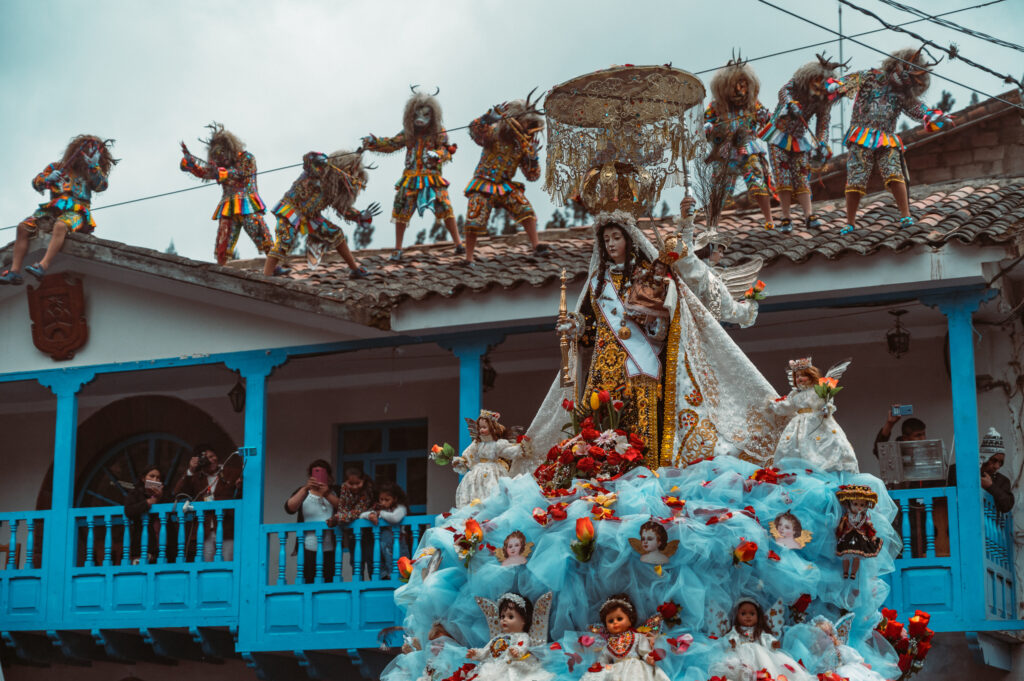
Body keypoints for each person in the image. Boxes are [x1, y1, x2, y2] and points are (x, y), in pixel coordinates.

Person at [532, 194, 780, 469]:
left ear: (629, 239)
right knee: (600, 425)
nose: (611, 244)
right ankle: (601, 467)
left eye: (616, 237)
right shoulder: (597, 282)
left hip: (640, 360)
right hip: (604, 366)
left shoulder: (647, 275)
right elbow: (589, 328)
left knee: (639, 421)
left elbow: (666, 321)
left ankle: (642, 466)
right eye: (606, 240)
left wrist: (649, 316)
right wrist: (574, 326)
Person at [837, 47, 953, 234]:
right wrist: (834, 86)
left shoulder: (903, 95)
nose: (904, 77)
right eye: (904, 70)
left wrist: (932, 116)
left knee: (894, 171)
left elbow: (918, 108)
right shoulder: (869, 77)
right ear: (896, 63)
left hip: (886, 137)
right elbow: (845, 83)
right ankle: (850, 222)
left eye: (910, 76)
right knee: (856, 177)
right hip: (860, 134)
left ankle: (905, 215)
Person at [361, 88, 465, 261]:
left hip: (432, 177)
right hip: (410, 178)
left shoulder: (439, 132)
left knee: (446, 207)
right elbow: (391, 144)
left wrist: (438, 155)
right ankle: (398, 248)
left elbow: (447, 150)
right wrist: (374, 143)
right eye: (417, 114)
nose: (421, 119)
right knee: (401, 209)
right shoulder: (408, 133)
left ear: (433, 116)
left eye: (426, 115)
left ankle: (458, 244)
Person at [1, 135, 117, 284]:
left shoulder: (90, 173)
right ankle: (14, 272)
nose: (85, 156)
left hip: (77, 211)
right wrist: (47, 179)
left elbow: (102, 186)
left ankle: (43, 265)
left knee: (61, 226)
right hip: (51, 210)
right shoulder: (56, 167)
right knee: (23, 227)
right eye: (84, 151)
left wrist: (94, 167)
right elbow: (36, 182)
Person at [759, 53, 846, 232]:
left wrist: (822, 143)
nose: (819, 86)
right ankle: (785, 216)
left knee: (802, 176)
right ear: (809, 78)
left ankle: (808, 215)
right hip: (778, 135)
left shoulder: (822, 103)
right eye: (817, 80)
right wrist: (789, 104)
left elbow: (823, 124)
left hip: (799, 140)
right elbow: (783, 92)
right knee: (782, 175)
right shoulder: (796, 85)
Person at [262, 150, 378, 277]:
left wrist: (359, 215)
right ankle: (266, 277)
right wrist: (318, 158)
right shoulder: (320, 170)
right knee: (285, 239)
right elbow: (308, 159)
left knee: (335, 233)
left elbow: (342, 209)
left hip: (311, 216)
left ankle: (355, 269)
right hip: (291, 209)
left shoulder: (335, 188)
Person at [463, 94, 548, 263]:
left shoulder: (523, 145)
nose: (526, 126)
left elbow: (532, 176)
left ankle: (536, 245)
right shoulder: (495, 131)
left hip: (505, 186)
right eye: (525, 122)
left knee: (525, 209)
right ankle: (468, 257)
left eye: (529, 124)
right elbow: (474, 131)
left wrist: (533, 157)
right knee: (474, 217)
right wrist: (488, 117)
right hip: (483, 182)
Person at [179, 122, 273, 265]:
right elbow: (206, 173)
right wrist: (191, 165)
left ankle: (274, 263)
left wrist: (222, 172)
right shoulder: (222, 167)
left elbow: (241, 173)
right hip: (228, 205)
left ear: (229, 149)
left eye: (222, 154)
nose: (221, 159)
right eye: (217, 156)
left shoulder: (246, 158)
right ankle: (221, 267)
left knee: (259, 231)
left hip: (247, 201)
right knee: (223, 241)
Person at [703, 54, 774, 230]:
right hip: (725, 151)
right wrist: (708, 127)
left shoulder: (753, 104)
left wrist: (765, 116)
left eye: (743, 85)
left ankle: (769, 219)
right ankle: (713, 223)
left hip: (748, 148)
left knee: (757, 181)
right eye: (735, 85)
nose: (739, 89)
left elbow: (766, 118)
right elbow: (706, 123)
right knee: (720, 188)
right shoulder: (715, 106)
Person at [769, 357, 859, 472]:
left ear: (811, 376)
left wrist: (826, 408)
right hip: (798, 425)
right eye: (797, 376)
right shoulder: (795, 394)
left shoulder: (818, 390)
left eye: (803, 375)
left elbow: (826, 402)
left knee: (821, 447)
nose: (799, 378)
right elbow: (787, 407)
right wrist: (773, 405)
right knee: (794, 448)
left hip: (816, 421)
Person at [460, 592, 553, 681]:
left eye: (510, 617)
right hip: (493, 666)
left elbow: (522, 647)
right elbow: (486, 651)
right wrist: (476, 653)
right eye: (502, 616)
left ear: (523, 621)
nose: (504, 620)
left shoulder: (522, 636)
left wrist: (517, 651)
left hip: (511, 664)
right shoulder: (497, 637)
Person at [173, 445, 242, 561]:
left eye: (213, 456)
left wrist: (240, 486)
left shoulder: (231, 473)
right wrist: (190, 470)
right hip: (204, 530)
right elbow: (178, 492)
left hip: (227, 528)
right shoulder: (196, 478)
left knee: (228, 562)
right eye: (206, 458)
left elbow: (244, 493)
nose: (211, 460)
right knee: (206, 565)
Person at [580, 593, 668, 681]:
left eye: (619, 619)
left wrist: (648, 657)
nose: (615, 622)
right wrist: (600, 665)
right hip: (615, 670)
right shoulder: (609, 644)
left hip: (635, 667)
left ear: (630, 621)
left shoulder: (637, 637)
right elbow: (604, 658)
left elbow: (644, 651)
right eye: (610, 621)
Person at [452, 410, 525, 508]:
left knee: (492, 490)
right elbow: (468, 455)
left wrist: (521, 448)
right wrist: (461, 462)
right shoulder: (477, 444)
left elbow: (509, 451)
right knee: (473, 490)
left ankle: (490, 508)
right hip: (477, 472)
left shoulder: (497, 444)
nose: (481, 430)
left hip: (493, 471)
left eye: (484, 427)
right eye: (479, 427)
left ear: (492, 428)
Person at [284, 459, 341, 584]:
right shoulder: (303, 491)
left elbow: (344, 508)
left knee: (330, 583)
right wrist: (306, 488)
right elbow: (290, 508)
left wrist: (326, 494)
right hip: (307, 547)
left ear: (330, 477)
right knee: (308, 581)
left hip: (330, 548)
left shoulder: (335, 491)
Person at [947, 427, 1015, 513]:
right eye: (994, 460)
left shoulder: (1002, 481)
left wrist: (991, 487)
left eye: (1001, 463)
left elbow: (1007, 505)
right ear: (983, 458)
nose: (997, 466)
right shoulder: (959, 470)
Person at [328, 467, 376, 578]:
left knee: (372, 561)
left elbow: (359, 511)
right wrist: (341, 515)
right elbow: (343, 507)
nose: (354, 487)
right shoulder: (344, 488)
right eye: (351, 483)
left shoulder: (367, 489)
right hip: (353, 533)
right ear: (345, 482)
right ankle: (358, 590)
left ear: (363, 481)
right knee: (356, 562)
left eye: (358, 483)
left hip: (370, 532)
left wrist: (338, 518)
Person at [124, 466, 168, 564]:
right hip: (142, 542)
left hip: (162, 542)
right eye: (152, 476)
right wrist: (148, 502)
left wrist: (159, 497)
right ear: (143, 478)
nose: (155, 480)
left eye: (158, 478)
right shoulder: (135, 493)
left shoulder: (165, 494)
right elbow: (129, 510)